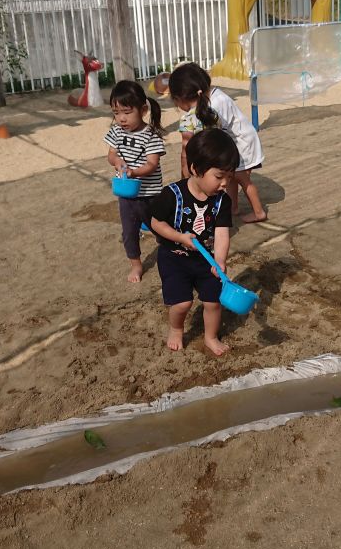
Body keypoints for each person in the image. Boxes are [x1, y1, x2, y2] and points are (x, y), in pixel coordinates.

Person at [151, 129, 240, 356]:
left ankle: (211, 337)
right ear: (195, 169)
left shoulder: (222, 201)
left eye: (229, 177)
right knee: (182, 304)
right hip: (174, 257)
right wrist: (180, 237)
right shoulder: (172, 194)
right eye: (219, 177)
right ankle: (176, 328)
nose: (224, 183)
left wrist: (219, 259)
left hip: (206, 259)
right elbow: (156, 223)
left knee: (213, 302)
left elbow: (221, 233)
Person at [168, 62, 267, 224]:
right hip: (234, 141)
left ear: (181, 99)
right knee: (231, 177)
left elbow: (212, 136)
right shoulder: (208, 101)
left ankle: (259, 212)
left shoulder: (215, 104)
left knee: (242, 179)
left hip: (241, 144)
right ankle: (232, 207)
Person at [104, 80, 166, 283]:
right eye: (116, 112)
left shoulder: (151, 136)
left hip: (151, 195)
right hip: (127, 195)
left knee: (160, 228)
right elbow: (111, 155)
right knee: (129, 232)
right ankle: (136, 265)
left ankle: (169, 253)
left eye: (127, 112)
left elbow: (152, 164)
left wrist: (133, 172)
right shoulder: (116, 132)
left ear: (143, 109)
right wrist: (117, 161)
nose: (121, 118)